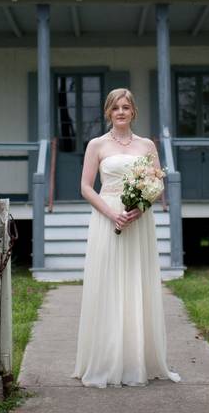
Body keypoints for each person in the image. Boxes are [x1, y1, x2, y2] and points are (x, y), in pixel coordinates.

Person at [71, 87, 181, 387]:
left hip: (138, 220)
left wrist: (141, 208)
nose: (121, 112)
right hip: (107, 218)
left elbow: (157, 185)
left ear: (133, 111)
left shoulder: (147, 145)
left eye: (126, 107)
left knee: (136, 283)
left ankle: (136, 360)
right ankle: (106, 360)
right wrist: (111, 213)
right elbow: (85, 187)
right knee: (108, 283)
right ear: (108, 112)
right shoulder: (97, 145)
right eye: (115, 107)